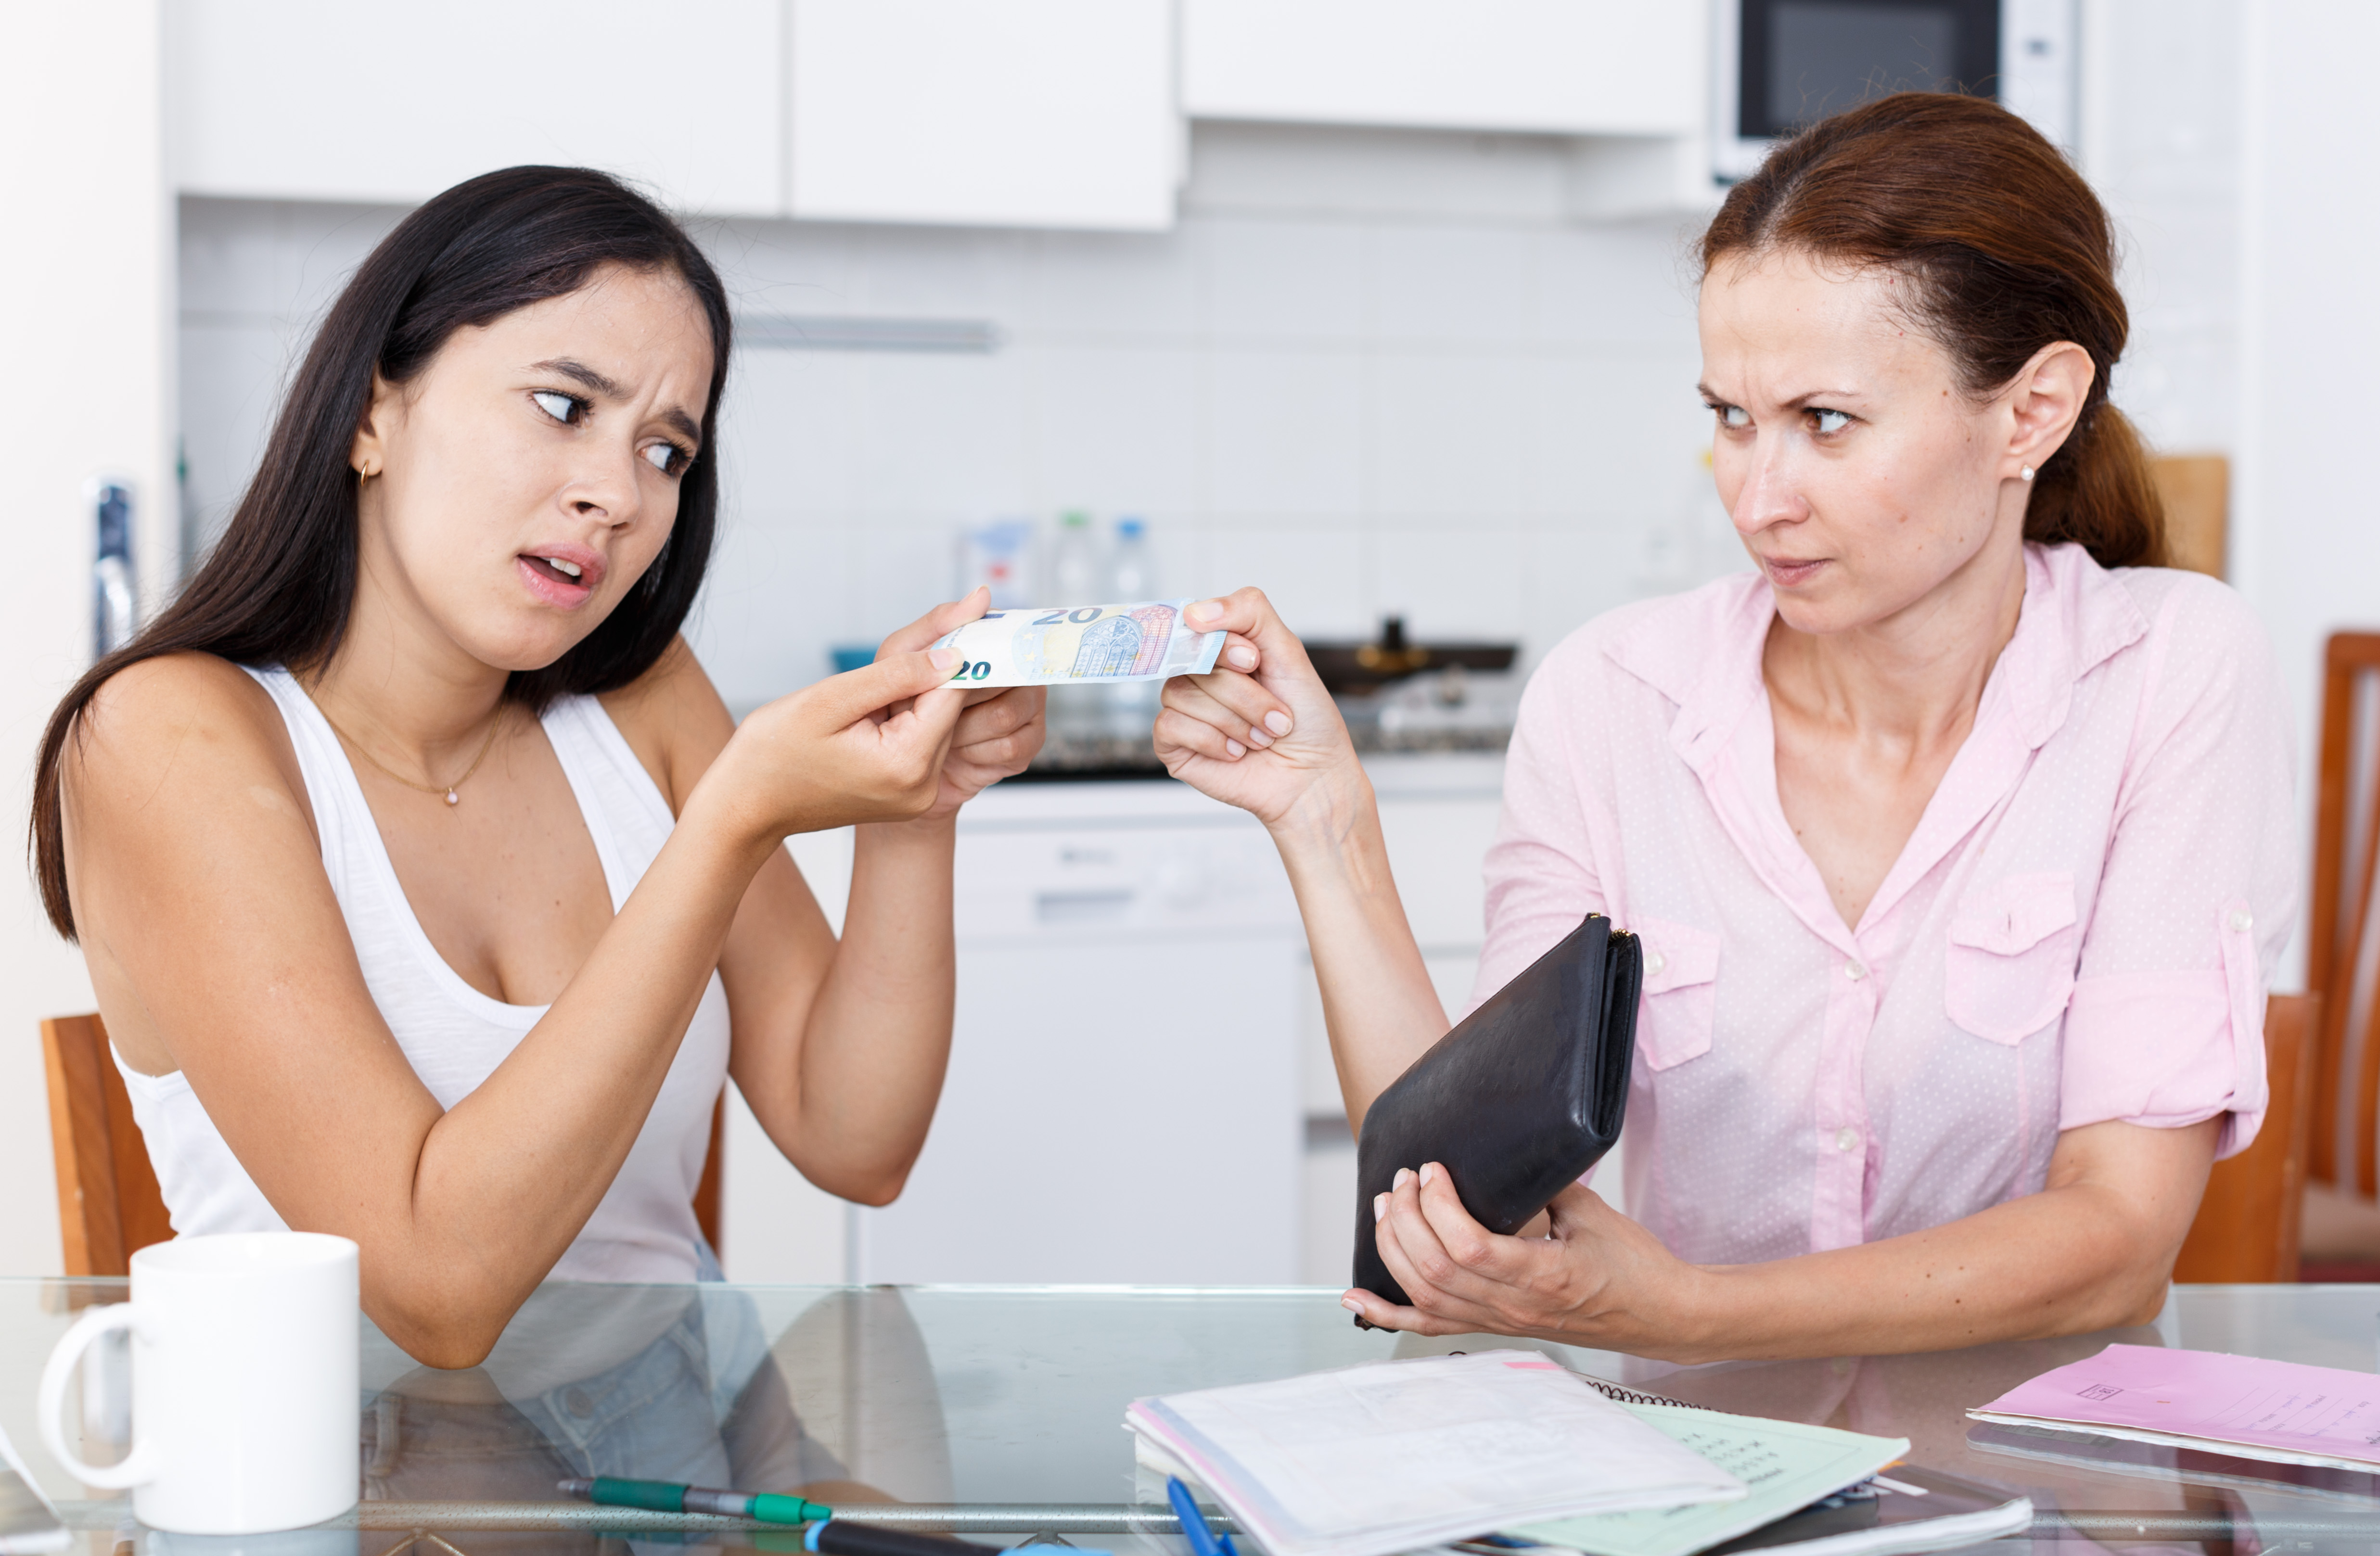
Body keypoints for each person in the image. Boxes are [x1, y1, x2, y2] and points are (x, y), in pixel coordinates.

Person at [1156, 92, 2296, 1362]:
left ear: (2030, 412)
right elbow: (1473, 1190)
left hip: (2030, 1485)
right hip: (1702, 1489)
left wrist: (1692, 1313)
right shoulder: (1613, 696)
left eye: (1826, 422)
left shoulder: (2165, 668)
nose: (1757, 499)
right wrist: (1327, 822)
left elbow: (2121, 1239)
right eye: (1729, 419)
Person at [29, 167, 1045, 1369]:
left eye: (666, 451)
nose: (614, 495)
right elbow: (436, 1290)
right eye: (564, 408)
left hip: (674, 1466)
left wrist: (915, 814)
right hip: (319, 1481)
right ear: (372, 413)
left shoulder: (639, 698)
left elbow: (854, 1138)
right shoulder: (169, 737)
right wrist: (725, 827)